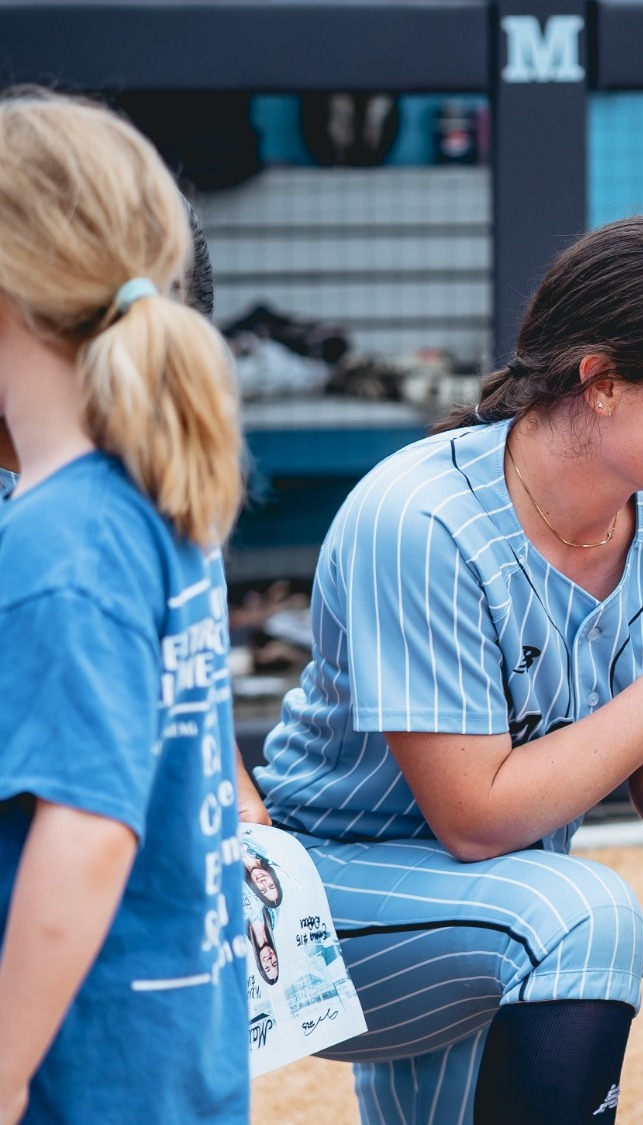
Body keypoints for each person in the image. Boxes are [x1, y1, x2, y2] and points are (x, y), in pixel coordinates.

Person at [252, 214, 643, 1125]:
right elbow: (476, 817)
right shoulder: (419, 518)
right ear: (603, 382)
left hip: (497, 906)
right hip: (322, 904)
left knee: (555, 914)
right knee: (581, 911)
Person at [0, 89, 248, 1125]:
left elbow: (88, 831)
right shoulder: (158, 494)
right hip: (172, 1055)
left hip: (81, 1076)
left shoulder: (58, 541)